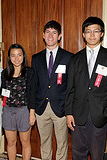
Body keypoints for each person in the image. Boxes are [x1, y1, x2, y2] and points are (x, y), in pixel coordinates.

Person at [65, 16, 107, 160]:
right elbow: (70, 89)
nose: (92, 35)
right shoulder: (75, 59)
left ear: (102, 33)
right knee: (77, 154)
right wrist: (68, 113)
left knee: (97, 155)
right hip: (77, 116)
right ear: (83, 35)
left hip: (99, 116)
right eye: (88, 31)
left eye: (96, 31)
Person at [31, 20, 73, 160]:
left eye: (54, 33)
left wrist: (69, 109)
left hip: (60, 108)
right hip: (41, 108)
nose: (50, 36)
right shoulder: (36, 58)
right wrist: (33, 108)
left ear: (59, 36)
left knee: (62, 144)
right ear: (43, 35)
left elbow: (71, 85)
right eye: (48, 32)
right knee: (44, 143)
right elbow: (33, 85)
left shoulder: (68, 57)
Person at [1, 44, 36, 160]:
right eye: (13, 55)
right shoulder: (4, 73)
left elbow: (32, 94)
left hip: (24, 111)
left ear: (23, 56)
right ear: (9, 58)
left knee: (25, 142)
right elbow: (2, 92)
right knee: (11, 142)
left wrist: (32, 113)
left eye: (19, 55)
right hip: (8, 111)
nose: (16, 58)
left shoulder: (30, 72)